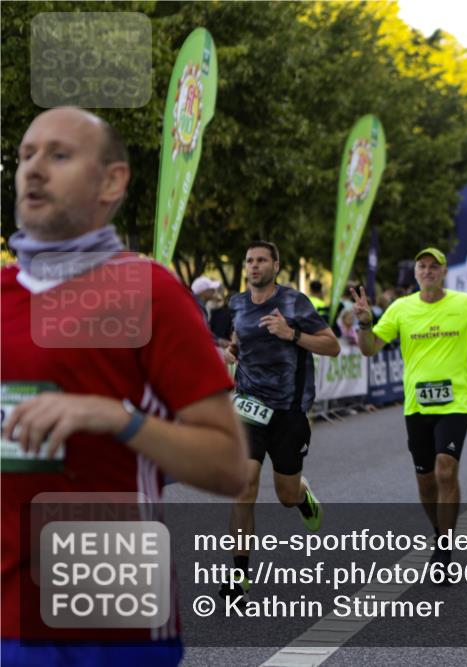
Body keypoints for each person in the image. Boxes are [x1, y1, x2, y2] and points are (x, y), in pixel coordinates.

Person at [2, 107, 247, 666]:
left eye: (59, 155)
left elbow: (230, 466)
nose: (33, 170)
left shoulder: (149, 293)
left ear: (112, 181)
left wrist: (117, 417)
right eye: (25, 156)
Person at [352, 248, 467, 570]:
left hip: (455, 402)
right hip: (417, 406)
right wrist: (363, 324)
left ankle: (445, 549)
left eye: (434, 266)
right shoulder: (400, 309)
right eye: (422, 266)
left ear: (444, 272)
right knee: (426, 481)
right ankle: (437, 531)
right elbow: (370, 349)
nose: (428, 271)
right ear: (415, 274)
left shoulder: (464, 304)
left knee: (446, 468)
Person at [222, 241, 341, 602]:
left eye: (261, 260)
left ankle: (302, 496)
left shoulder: (294, 303)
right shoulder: (237, 303)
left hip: (289, 412)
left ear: (276, 264)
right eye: (249, 260)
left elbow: (332, 345)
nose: (254, 266)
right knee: (245, 485)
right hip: (247, 407)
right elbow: (240, 339)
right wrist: (234, 350)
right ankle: (239, 577)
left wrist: (293, 334)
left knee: (285, 496)